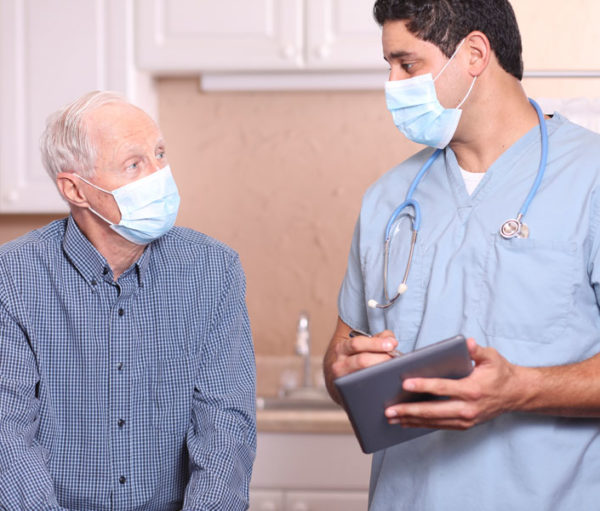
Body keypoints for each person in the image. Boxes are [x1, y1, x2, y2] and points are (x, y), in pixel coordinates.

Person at [323, 0, 600, 509]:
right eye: (389, 66)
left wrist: (521, 387)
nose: (392, 84)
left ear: (474, 54)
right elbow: (341, 358)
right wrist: (341, 372)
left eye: (408, 65)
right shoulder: (388, 198)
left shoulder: (590, 178)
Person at [0, 91, 256, 510]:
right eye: (134, 164)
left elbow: (225, 427)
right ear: (75, 189)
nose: (159, 175)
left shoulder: (215, 269)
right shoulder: (11, 277)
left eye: (159, 154)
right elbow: (6, 437)